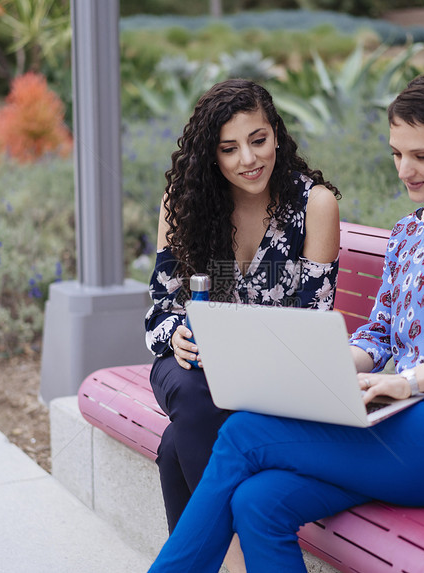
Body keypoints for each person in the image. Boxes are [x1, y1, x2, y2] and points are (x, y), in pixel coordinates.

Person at [147, 71, 424, 572]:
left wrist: (407, 381)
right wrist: (320, 370)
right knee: (259, 502)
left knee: (244, 433)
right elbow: (379, 334)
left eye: (422, 156)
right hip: (400, 416)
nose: (406, 170)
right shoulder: (407, 232)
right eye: (398, 154)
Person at [144, 78, 342, 547]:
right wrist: (178, 336)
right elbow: (158, 314)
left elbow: (312, 326)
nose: (249, 160)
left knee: (177, 445)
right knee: (195, 393)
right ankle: (240, 562)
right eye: (229, 149)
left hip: (272, 383)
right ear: (211, 155)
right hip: (191, 370)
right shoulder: (183, 206)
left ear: (276, 133)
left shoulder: (314, 206)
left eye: (258, 140)